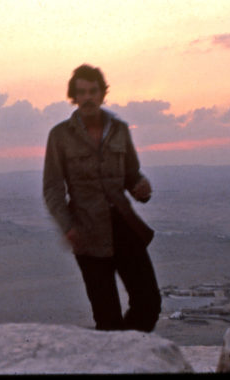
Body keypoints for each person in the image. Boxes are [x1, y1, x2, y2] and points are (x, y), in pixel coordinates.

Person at [42, 64, 161, 332]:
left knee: (149, 303)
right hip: (87, 231)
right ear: (73, 96)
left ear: (103, 93)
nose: (88, 98)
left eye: (93, 91)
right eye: (81, 92)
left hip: (124, 225)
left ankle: (128, 354)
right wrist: (68, 226)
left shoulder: (119, 130)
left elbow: (131, 175)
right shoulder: (60, 136)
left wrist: (141, 187)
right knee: (107, 319)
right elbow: (52, 188)